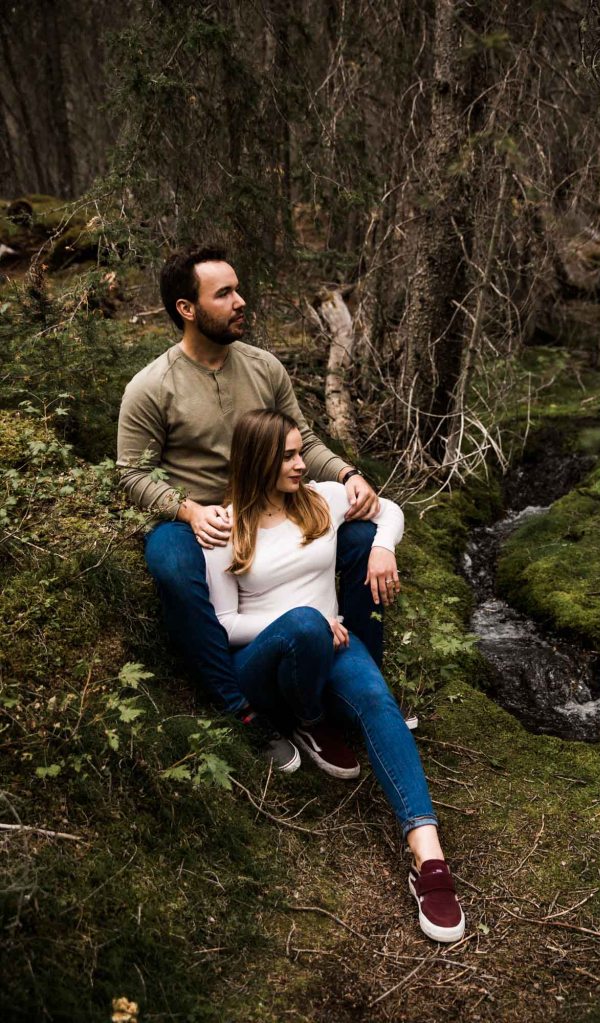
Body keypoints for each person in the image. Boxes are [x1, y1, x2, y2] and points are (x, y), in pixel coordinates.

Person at [117, 246, 397, 764]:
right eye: (223, 294)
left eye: (237, 288)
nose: (240, 301)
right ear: (187, 308)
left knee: (360, 536)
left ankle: (359, 686)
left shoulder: (263, 367)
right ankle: (239, 709)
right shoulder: (151, 386)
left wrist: (347, 474)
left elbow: (304, 441)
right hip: (202, 515)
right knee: (172, 564)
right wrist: (187, 510)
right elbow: (131, 472)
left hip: (273, 504)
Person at [203, 408, 465, 944]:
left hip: (335, 644)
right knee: (302, 622)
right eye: (290, 456)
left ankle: (429, 860)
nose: (303, 463)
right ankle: (302, 718)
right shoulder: (229, 527)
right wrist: (308, 622)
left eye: (302, 452)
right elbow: (225, 625)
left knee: (378, 703)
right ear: (258, 460)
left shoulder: (320, 499)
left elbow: (388, 509)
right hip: (264, 663)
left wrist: (381, 548)